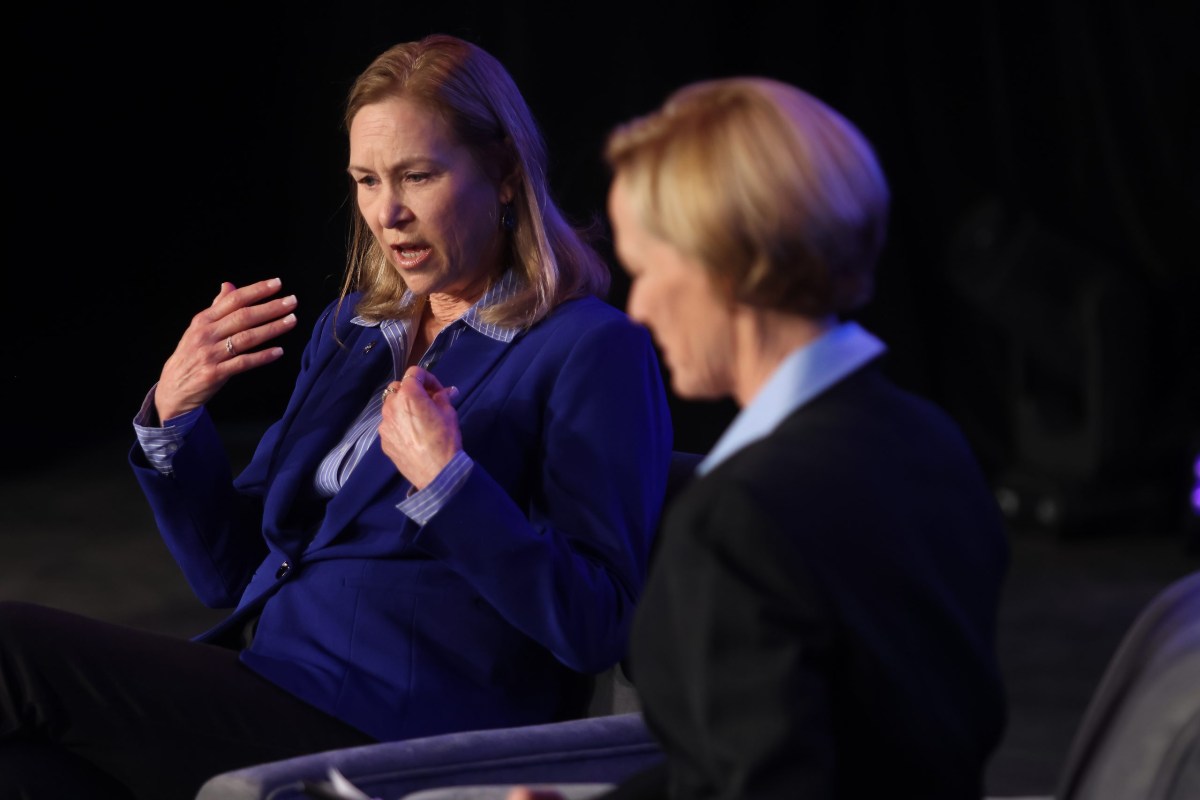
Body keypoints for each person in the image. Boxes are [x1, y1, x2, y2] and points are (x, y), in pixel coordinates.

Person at [0, 33, 672, 799]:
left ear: (506, 173)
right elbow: (229, 570)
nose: (389, 212)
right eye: (366, 180)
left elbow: (596, 622)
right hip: (270, 677)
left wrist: (448, 486)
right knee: (24, 775)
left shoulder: (589, 348)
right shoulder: (354, 329)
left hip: (402, 723)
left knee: (12, 649)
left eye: (418, 176)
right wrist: (174, 418)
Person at [505, 76, 1009, 799]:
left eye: (647, 270)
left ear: (731, 263)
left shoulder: (743, 519)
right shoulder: (935, 443)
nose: (638, 308)